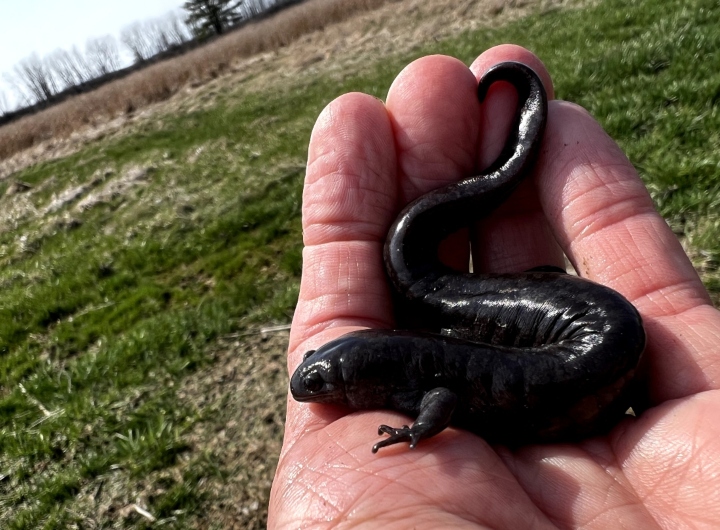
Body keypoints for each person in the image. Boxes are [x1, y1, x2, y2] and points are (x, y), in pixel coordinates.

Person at [268, 45, 720, 528]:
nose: (307, 388)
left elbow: (439, 401)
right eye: (318, 375)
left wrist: (421, 431)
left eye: (318, 378)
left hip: (597, 335)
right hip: (599, 330)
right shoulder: (413, 365)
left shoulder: (419, 376)